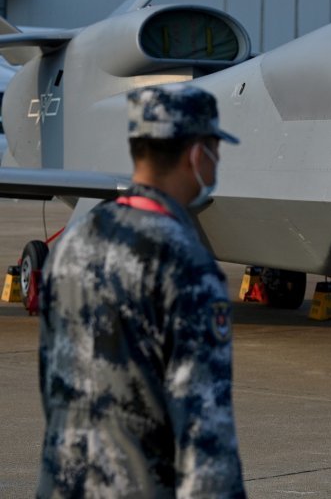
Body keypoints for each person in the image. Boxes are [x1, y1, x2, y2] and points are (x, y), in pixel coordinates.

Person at [37, 84, 246, 497]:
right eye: (215, 148)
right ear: (195, 154)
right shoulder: (185, 263)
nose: (218, 160)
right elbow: (205, 430)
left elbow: (53, 383)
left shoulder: (73, 244)